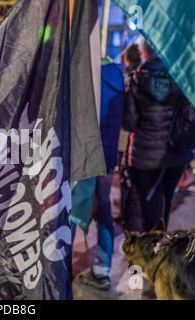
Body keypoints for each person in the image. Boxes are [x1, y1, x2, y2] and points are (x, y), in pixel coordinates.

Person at [123, 39, 194, 231]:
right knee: (166, 200)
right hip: (175, 153)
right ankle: (160, 246)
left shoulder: (137, 79)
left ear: (144, 51)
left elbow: (129, 123)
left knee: (148, 208)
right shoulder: (180, 79)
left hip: (144, 157)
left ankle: (150, 251)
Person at [75, 59, 125, 291]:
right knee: (102, 209)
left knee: (69, 210)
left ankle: (57, 268)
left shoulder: (86, 74)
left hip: (84, 155)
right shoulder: (117, 77)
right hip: (107, 157)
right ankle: (102, 270)